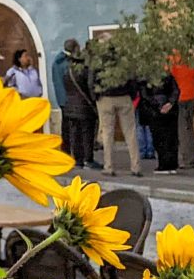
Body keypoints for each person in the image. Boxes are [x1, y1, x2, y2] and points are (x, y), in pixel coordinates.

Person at [93, 48, 141, 177]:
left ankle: (108, 166)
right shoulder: (124, 62)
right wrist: (131, 94)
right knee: (130, 132)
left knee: (107, 133)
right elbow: (133, 79)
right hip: (124, 97)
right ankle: (135, 166)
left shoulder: (98, 62)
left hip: (106, 98)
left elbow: (91, 80)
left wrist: (96, 96)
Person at [52, 39, 97, 168]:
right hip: (72, 100)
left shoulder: (57, 62)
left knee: (71, 130)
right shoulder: (68, 63)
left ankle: (70, 156)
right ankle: (79, 157)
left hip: (65, 100)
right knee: (79, 131)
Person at [140, 72, 182, 175]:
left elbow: (145, 95)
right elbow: (175, 91)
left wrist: (157, 106)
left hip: (155, 111)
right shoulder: (168, 76)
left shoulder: (146, 78)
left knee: (159, 138)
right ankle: (172, 164)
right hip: (170, 110)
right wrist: (170, 103)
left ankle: (163, 164)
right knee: (171, 137)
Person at [171, 53, 194, 169]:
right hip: (191, 96)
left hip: (180, 97)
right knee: (189, 127)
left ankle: (189, 159)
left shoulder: (172, 60)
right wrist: (192, 87)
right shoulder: (192, 60)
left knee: (183, 130)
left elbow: (168, 80)